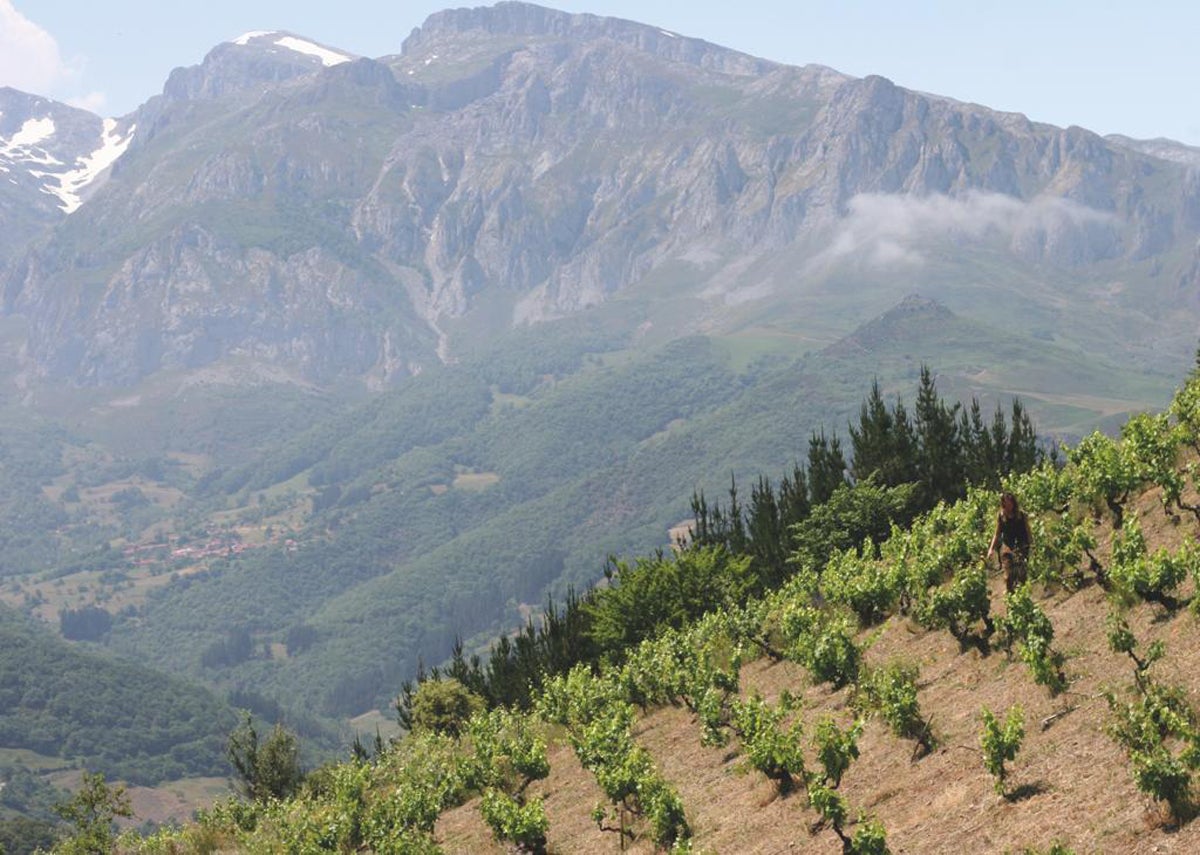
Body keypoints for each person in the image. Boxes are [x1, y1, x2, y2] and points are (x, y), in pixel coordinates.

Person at [986, 491, 1032, 593]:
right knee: (1009, 576)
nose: (1008, 505)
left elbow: (1028, 531)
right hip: (1008, 546)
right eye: (1006, 503)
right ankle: (1010, 596)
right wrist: (991, 549)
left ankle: (1023, 595)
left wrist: (1032, 545)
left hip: (1022, 544)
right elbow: (997, 534)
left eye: (1010, 502)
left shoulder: (1021, 515)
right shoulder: (1001, 516)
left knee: (1022, 573)